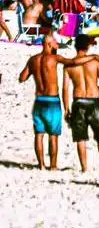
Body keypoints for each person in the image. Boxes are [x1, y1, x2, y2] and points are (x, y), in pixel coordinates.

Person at [60, 34, 99, 172]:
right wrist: (97, 90)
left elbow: (65, 88)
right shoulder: (95, 63)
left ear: (75, 46)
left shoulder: (68, 65)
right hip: (93, 100)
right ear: (88, 46)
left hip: (78, 101)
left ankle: (84, 168)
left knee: (80, 138)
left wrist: (66, 109)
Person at [19, 32, 63, 169]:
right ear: (49, 43)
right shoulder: (54, 58)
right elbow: (72, 62)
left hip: (39, 100)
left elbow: (22, 77)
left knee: (39, 134)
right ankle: (53, 166)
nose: (57, 44)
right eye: (55, 42)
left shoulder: (33, 60)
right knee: (53, 135)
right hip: (53, 101)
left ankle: (42, 165)